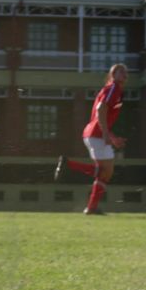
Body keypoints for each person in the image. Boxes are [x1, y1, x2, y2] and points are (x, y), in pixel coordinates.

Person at [54, 63, 128, 215]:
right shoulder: (113, 88)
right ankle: (69, 165)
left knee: (104, 172)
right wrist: (107, 135)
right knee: (105, 172)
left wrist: (111, 137)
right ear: (112, 76)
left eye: (125, 71)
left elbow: (102, 117)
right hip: (96, 134)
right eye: (119, 71)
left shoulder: (114, 90)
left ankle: (91, 207)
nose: (124, 73)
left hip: (92, 133)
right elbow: (101, 109)